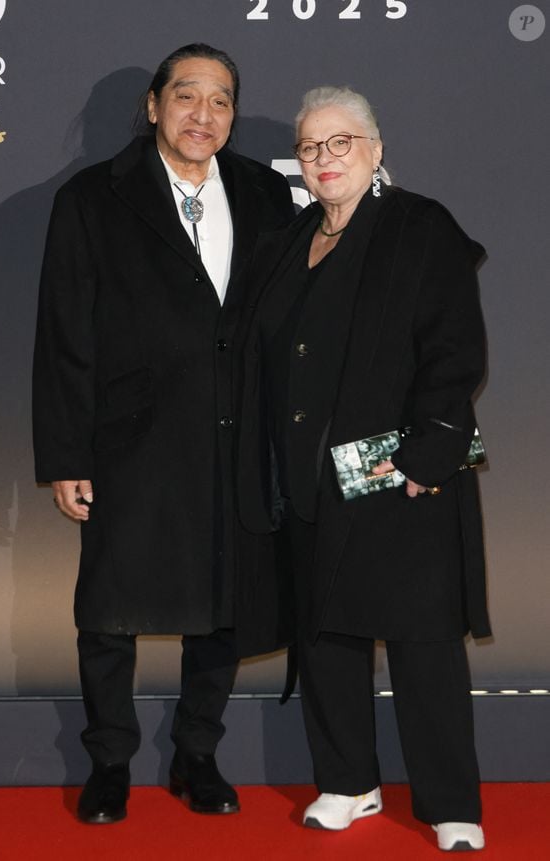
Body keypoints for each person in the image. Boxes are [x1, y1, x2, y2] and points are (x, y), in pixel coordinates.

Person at [32, 43, 294, 824]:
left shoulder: (263, 192)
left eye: (220, 101)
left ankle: (195, 753)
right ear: (153, 106)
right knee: (109, 608)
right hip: (130, 440)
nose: (202, 115)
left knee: (221, 602)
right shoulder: (91, 197)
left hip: (234, 433)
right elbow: (63, 334)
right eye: (186, 96)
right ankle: (108, 759)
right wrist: (66, 455)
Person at [237, 86, 490, 853]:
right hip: (310, 480)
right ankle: (349, 782)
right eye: (311, 147)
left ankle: (451, 802)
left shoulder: (420, 226)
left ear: (376, 151)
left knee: (424, 643)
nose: (324, 159)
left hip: (404, 476)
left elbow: (455, 351)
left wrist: (431, 451)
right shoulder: (286, 244)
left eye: (340, 142)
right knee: (326, 638)